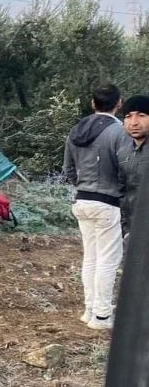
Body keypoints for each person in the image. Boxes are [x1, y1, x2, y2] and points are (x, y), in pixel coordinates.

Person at [62, 83, 126, 331]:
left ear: (92, 103)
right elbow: (125, 168)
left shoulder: (76, 129)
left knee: (91, 257)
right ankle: (101, 316)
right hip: (107, 202)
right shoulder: (118, 131)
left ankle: (89, 310)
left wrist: (82, 184)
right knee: (109, 260)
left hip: (82, 200)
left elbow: (68, 169)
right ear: (119, 104)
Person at [117, 95, 149, 242]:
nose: (134, 122)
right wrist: (125, 230)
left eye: (141, 115)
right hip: (133, 230)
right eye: (128, 116)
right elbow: (122, 192)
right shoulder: (123, 152)